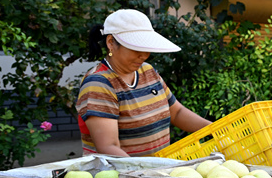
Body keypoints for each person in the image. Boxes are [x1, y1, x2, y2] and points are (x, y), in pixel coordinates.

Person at [76, 9, 211, 157]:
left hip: (156, 170)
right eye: (135, 48)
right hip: (121, 176)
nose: (144, 55)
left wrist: (213, 129)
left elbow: (177, 113)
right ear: (111, 43)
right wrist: (141, 175)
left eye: (145, 47)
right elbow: (109, 147)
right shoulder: (99, 84)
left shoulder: (148, 71)